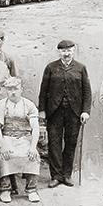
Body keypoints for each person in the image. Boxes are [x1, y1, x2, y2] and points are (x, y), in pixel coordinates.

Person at [39, 39, 92, 188]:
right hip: (54, 112)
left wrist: (85, 111)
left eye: (69, 50)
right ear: (59, 52)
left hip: (74, 112)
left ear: (73, 51)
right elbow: (43, 91)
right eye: (63, 51)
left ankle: (66, 175)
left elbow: (87, 92)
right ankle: (56, 176)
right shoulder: (51, 67)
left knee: (71, 143)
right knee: (54, 143)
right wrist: (42, 110)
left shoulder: (81, 68)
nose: (66, 53)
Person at [0, 77, 42, 205]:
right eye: (9, 89)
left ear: (21, 90)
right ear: (5, 91)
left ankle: (31, 189)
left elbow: (35, 127)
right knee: (5, 155)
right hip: (7, 136)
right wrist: (2, 145)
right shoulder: (0, 105)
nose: (13, 92)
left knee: (32, 156)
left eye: (15, 89)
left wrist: (33, 147)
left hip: (25, 137)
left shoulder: (29, 105)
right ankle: (5, 188)